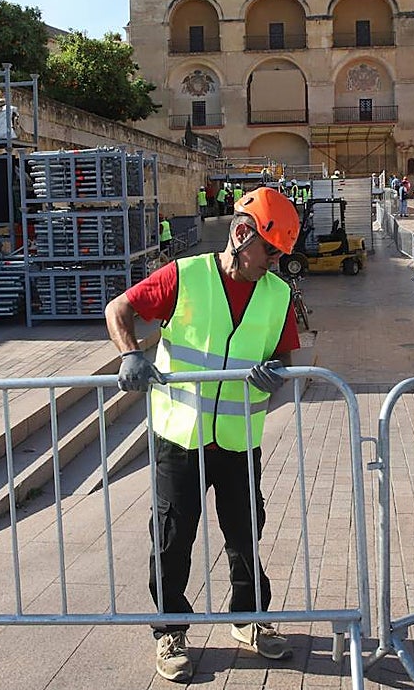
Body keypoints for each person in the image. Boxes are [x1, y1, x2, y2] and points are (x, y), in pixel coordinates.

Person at [105, 186, 302, 683]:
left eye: (280, 255)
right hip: (179, 437)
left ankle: (249, 620)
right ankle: (170, 632)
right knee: (173, 540)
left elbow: (284, 354)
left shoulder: (278, 295)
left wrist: (276, 372)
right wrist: (130, 354)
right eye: (270, 251)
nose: (274, 263)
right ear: (242, 234)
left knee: (245, 535)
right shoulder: (185, 276)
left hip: (237, 439)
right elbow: (119, 309)